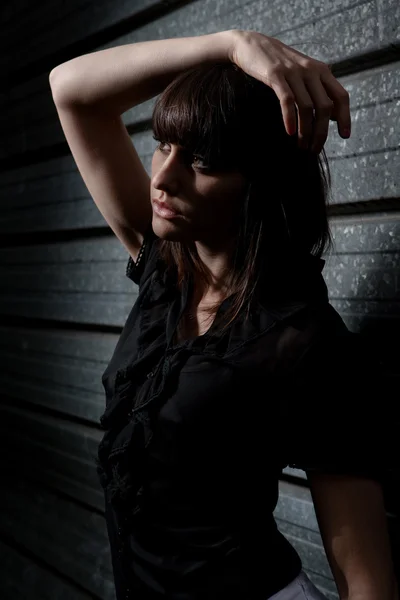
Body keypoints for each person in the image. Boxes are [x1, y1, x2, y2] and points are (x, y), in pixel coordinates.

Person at [50, 29, 398, 600]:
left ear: (258, 186)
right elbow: (71, 90)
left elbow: (367, 581)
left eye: (202, 162)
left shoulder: (305, 341)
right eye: (163, 146)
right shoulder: (165, 273)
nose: (162, 179)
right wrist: (230, 44)